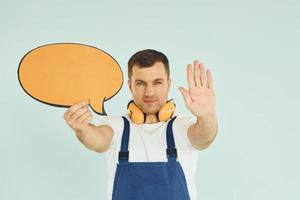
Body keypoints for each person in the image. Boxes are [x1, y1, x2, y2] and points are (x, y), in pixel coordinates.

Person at [63, 49, 218, 200]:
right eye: (140, 83)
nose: (149, 92)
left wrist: (207, 116)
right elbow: (98, 139)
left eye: (157, 82)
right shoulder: (117, 127)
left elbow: (204, 137)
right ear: (130, 86)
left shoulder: (182, 126)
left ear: (169, 84)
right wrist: (81, 128)